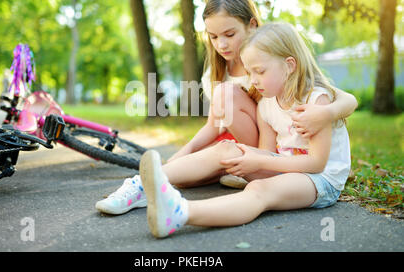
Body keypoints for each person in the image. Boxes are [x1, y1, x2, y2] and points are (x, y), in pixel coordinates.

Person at [95, 0, 357, 215]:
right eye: (213, 36)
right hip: (259, 151)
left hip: (273, 158)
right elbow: (213, 127)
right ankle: (142, 185)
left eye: (229, 35)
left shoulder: (275, 58)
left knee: (234, 161)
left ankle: (171, 192)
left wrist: (327, 113)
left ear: (252, 25)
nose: (221, 44)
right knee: (190, 173)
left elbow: (340, 97)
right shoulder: (221, 73)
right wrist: (175, 159)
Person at [139, 22, 352, 238]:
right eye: (250, 72)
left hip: (320, 180)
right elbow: (267, 151)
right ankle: (147, 183)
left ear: (289, 66)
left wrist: (258, 162)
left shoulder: (316, 101)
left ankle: (178, 214)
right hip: (287, 169)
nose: (253, 80)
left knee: (259, 190)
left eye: (259, 71)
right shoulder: (267, 104)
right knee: (226, 149)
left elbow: (316, 164)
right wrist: (248, 157)